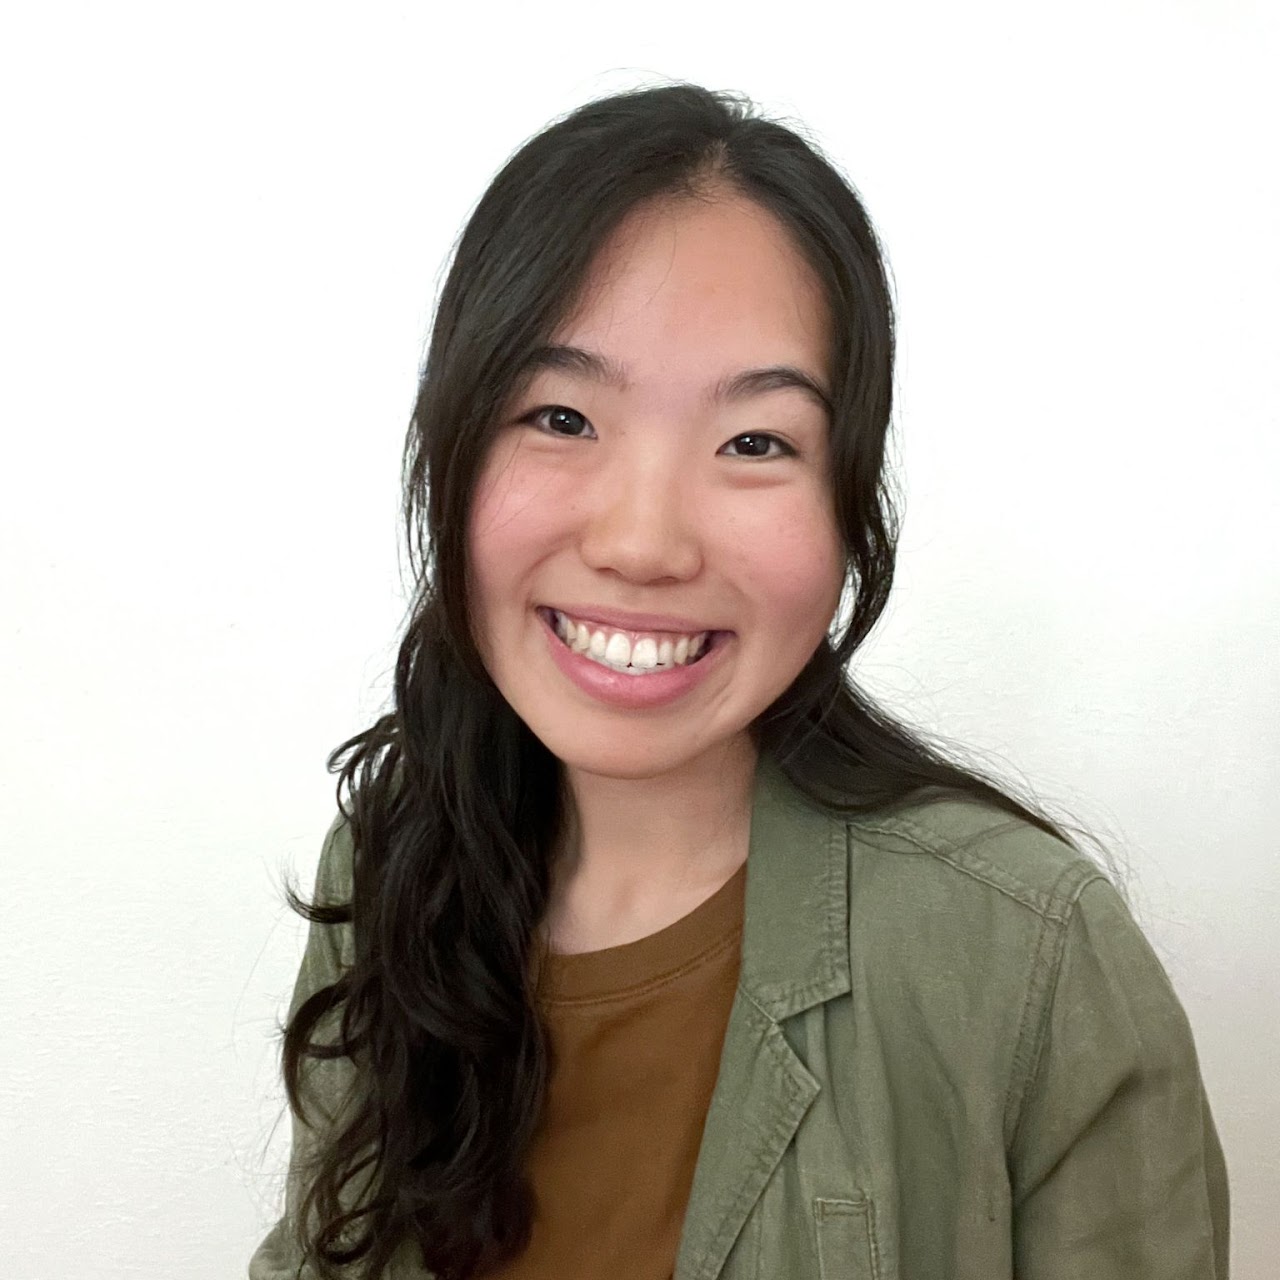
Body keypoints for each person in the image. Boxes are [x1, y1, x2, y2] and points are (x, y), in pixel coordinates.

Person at [249, 82, 1229, 1280]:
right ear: (448, 457)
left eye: (754, 442)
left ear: (847, 508)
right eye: (560, 415)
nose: (644, 541)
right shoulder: (394, 860)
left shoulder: (1027, 958)